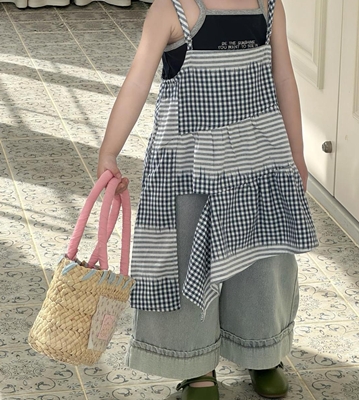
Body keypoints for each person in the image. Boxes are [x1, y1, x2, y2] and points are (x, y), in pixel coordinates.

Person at [97, 0, 318, 398]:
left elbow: (283, 77)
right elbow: (137, 81)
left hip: (257, 162)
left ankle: (262, 351)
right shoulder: (170, 10)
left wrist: (296, 154)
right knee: (187, 267)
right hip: (188, 169)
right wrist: (109, 150)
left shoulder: (269, 6)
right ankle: (195, 366)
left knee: (264, 266)